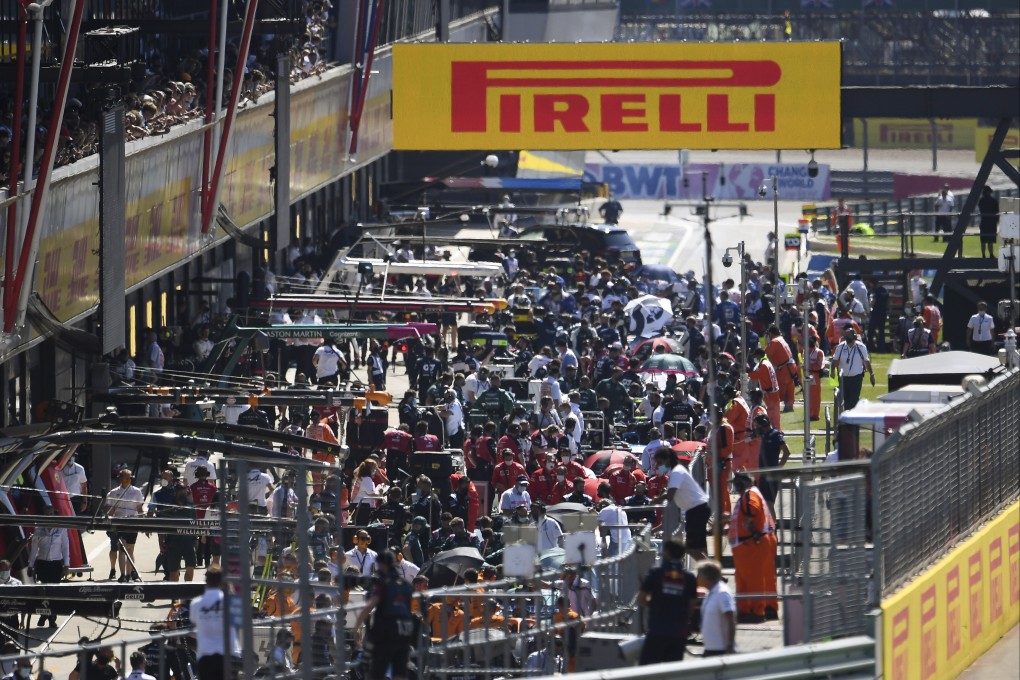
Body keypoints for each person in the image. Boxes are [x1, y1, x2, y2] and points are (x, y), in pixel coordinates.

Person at [353, 551, 417, 680]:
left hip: (386, 634)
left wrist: (356, 628)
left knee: (377, 672)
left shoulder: (384, 583)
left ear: (382, 564)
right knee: (400, 672)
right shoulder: (406, 585)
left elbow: (369, 606)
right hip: (404, 633)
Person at [728, 472, 779, 623]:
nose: (735, 486)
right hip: (758, 541)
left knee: (752, 578)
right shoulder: (753, 493)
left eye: (736, 483)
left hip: (752, 543)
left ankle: (755, 611)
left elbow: (749, 518)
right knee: (765, 577)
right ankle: (769, 608)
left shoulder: (749, 495)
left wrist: (754, 534)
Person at [638, 537, 698, 665]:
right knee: (672, 672)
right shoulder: (689, 577)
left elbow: (641, 598)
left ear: (667, 553)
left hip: (657, 630)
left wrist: (653, 604)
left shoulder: (656, 573)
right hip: (678, 632)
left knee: (646, 671)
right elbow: (692, 604)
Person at [652, 446, 710, 562]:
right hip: (698, 508)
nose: (657, 466)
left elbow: (670, 496)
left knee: (691, 549)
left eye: (659, 462)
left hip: (696, 510)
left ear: (667, 460)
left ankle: (711, 574)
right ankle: (709, 573)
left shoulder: (676, 473)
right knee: (701, 547)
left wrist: (655, 501)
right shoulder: (677, 471)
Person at [191, 567, 239, 678]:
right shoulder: (231, 602)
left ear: (206, 582)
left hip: (205, 656)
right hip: (228, 655)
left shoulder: (196, 603)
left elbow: (195, 623)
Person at [27, 506, 70, 627]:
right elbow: (34, 548)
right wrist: (30, 565)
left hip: (56, 564)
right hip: (42, 564)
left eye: (50, 513)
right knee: (43, 592)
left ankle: (51, 618)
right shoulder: (38, 529)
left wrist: (66, 564)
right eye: (46, 514)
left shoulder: (61, 529)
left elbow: (65, 547)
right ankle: (43, 614)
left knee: (53, 593)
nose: (48, 516)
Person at [105, 468, 144, 582]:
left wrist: (143, 523)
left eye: (130, 477)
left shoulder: (136, 491)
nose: (129, 479)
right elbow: (109, 510)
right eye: (126, 477)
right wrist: (108, 522)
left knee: (130, 549)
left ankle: (129, 574)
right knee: (122, 548)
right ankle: (122, 574)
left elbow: (139, 508)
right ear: (120, 479)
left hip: (133, 522)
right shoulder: (113, 493)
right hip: (119, 523)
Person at [752, 414, 791, 518]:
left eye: (758, 426)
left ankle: (773, 529)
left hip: (772, 476)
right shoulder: (765, 434)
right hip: (764, 475)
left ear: (764, 424)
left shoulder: (776, 434)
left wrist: (778, 468)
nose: (757, 428)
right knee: (764, 503)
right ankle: (768, 529)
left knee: (769, 504)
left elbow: (786, 452)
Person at [697, 560, 737, 656]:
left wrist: (730, 644)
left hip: (721, 650)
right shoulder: (711, 593)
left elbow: (731, 619)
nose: (698, 578)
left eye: (699, 575)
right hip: (710, 648)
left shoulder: (722, 593)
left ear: (707, 577)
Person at [830, 327, 874, 412]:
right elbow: (835, 360)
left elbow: (866, 361)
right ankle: (847, 419)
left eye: (849, 335)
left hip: (856, 377)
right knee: (845, 399)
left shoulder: (861, 347)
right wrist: (832, 372)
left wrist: (872, 375)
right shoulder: (841, 346)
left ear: (854, 336)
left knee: (854, 399)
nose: (847, 337)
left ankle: (854, 419)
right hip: (843, 378)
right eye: (846, 335)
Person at [595, 484, 631, 557]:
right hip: (628, 539)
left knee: (610, 560)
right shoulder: (617, 507)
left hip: (618, 540)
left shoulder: (604, 510)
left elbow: (600, 529)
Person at [804, 336, 827, 421]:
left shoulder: (819, 352)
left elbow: (819, 365)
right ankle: (809, 414)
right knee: (807, 395)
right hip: (807, 374)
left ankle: (815, 415)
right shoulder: (805, 351)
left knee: (816, 396)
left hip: (815, 376)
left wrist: (809, 366)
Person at [978, 185, 1000, 258]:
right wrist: (996, 221)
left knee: (983, 240)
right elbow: (997, 212)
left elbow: (981, 210)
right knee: (990, 240)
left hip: (984, 221)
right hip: (992, 222)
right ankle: (991, 254)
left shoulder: (981, 201)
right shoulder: (994, 201)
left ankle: (983, 254)